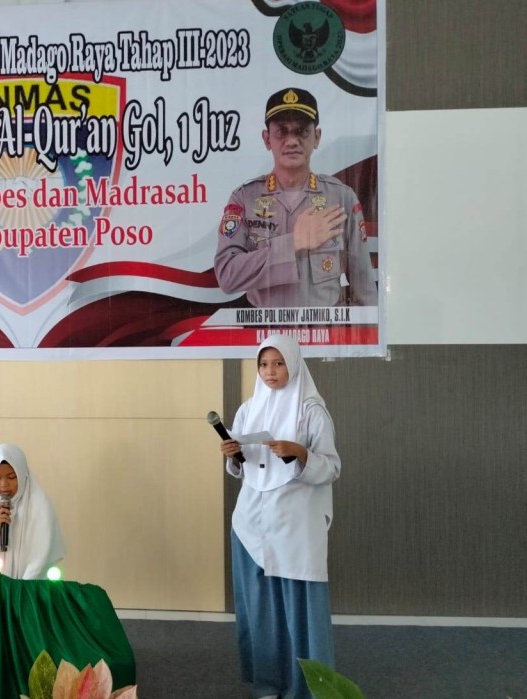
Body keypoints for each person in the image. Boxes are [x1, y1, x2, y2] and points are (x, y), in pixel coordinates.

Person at [218, 333, 340, 699]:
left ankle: (307, 686)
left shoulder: (311, 411)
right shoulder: (248, 409)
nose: (270, 371)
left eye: (278, 363)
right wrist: (233, 455)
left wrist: (300, 452)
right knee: (260, 608)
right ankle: (267, 684)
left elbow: (332, 467)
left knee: (299, 609)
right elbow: (245, 468)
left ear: (294, 365)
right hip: (251, 523)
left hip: (295, 523)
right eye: (263, 364)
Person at [214, 87, 377, 308]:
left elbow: (365, 289)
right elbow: (227, 276)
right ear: (267, 139)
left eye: (301, 131)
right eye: (281, 131)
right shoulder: (244, 198)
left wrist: (367, 327)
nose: (291, 141)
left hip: (324, 327)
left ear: (316, 137)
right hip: (264, 327)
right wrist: (294, 243)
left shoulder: (341, 198)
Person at [0, 443, 66, 580]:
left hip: (30, 588)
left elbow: (40, 559)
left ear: (23, 474)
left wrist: (20, 589)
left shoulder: (40, 506)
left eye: (11, 477)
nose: (4, 484)